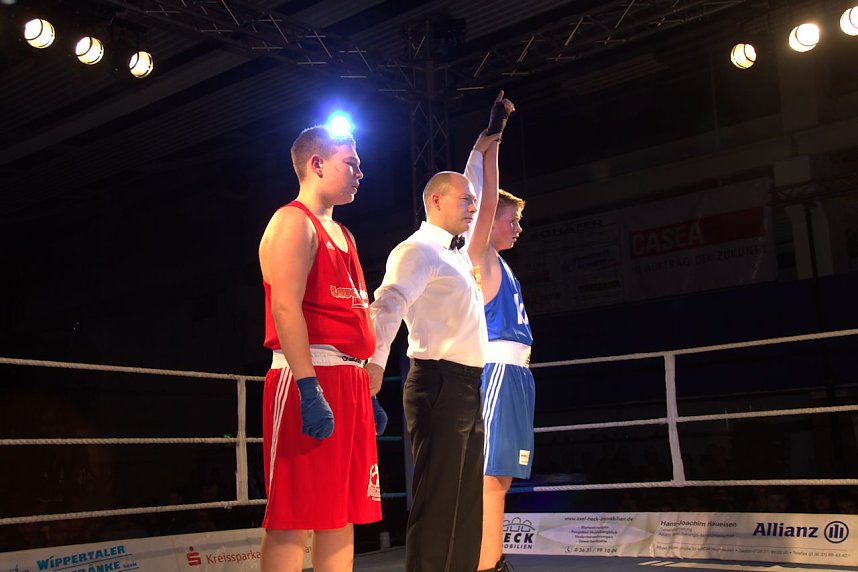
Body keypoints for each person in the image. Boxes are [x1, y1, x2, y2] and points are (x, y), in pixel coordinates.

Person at [365, 109, 503, 571]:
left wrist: (486, 141)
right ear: (437, 201)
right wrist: (374, 367)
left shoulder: (455, 252)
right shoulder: (416, 250)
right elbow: (389, 304)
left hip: (467, 383)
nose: (473, 206)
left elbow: (473, 185)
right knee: (439, 500)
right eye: (464, 201)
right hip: (437, 382)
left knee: (465, 504)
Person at [258, 125, 386, 572]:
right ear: (316, 165)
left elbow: (354, 314)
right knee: (293, 518)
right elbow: (285, 309)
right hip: (307, 375)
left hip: (348, 381)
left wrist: (366, 388)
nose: (360, 173)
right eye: (350, 163)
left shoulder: (345, 235)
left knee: (341, 514)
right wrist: (309, 388)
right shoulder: (292, 221)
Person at [464, 97, 533, 572]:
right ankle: (486, 566)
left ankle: (491, 559)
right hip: (495, 373)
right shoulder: (482, 254)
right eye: (513, 220)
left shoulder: (504, 267)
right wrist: (493, 139)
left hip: (518, 376)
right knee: (490, 474)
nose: (518, 227)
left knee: (502, 476)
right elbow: (483, 198)